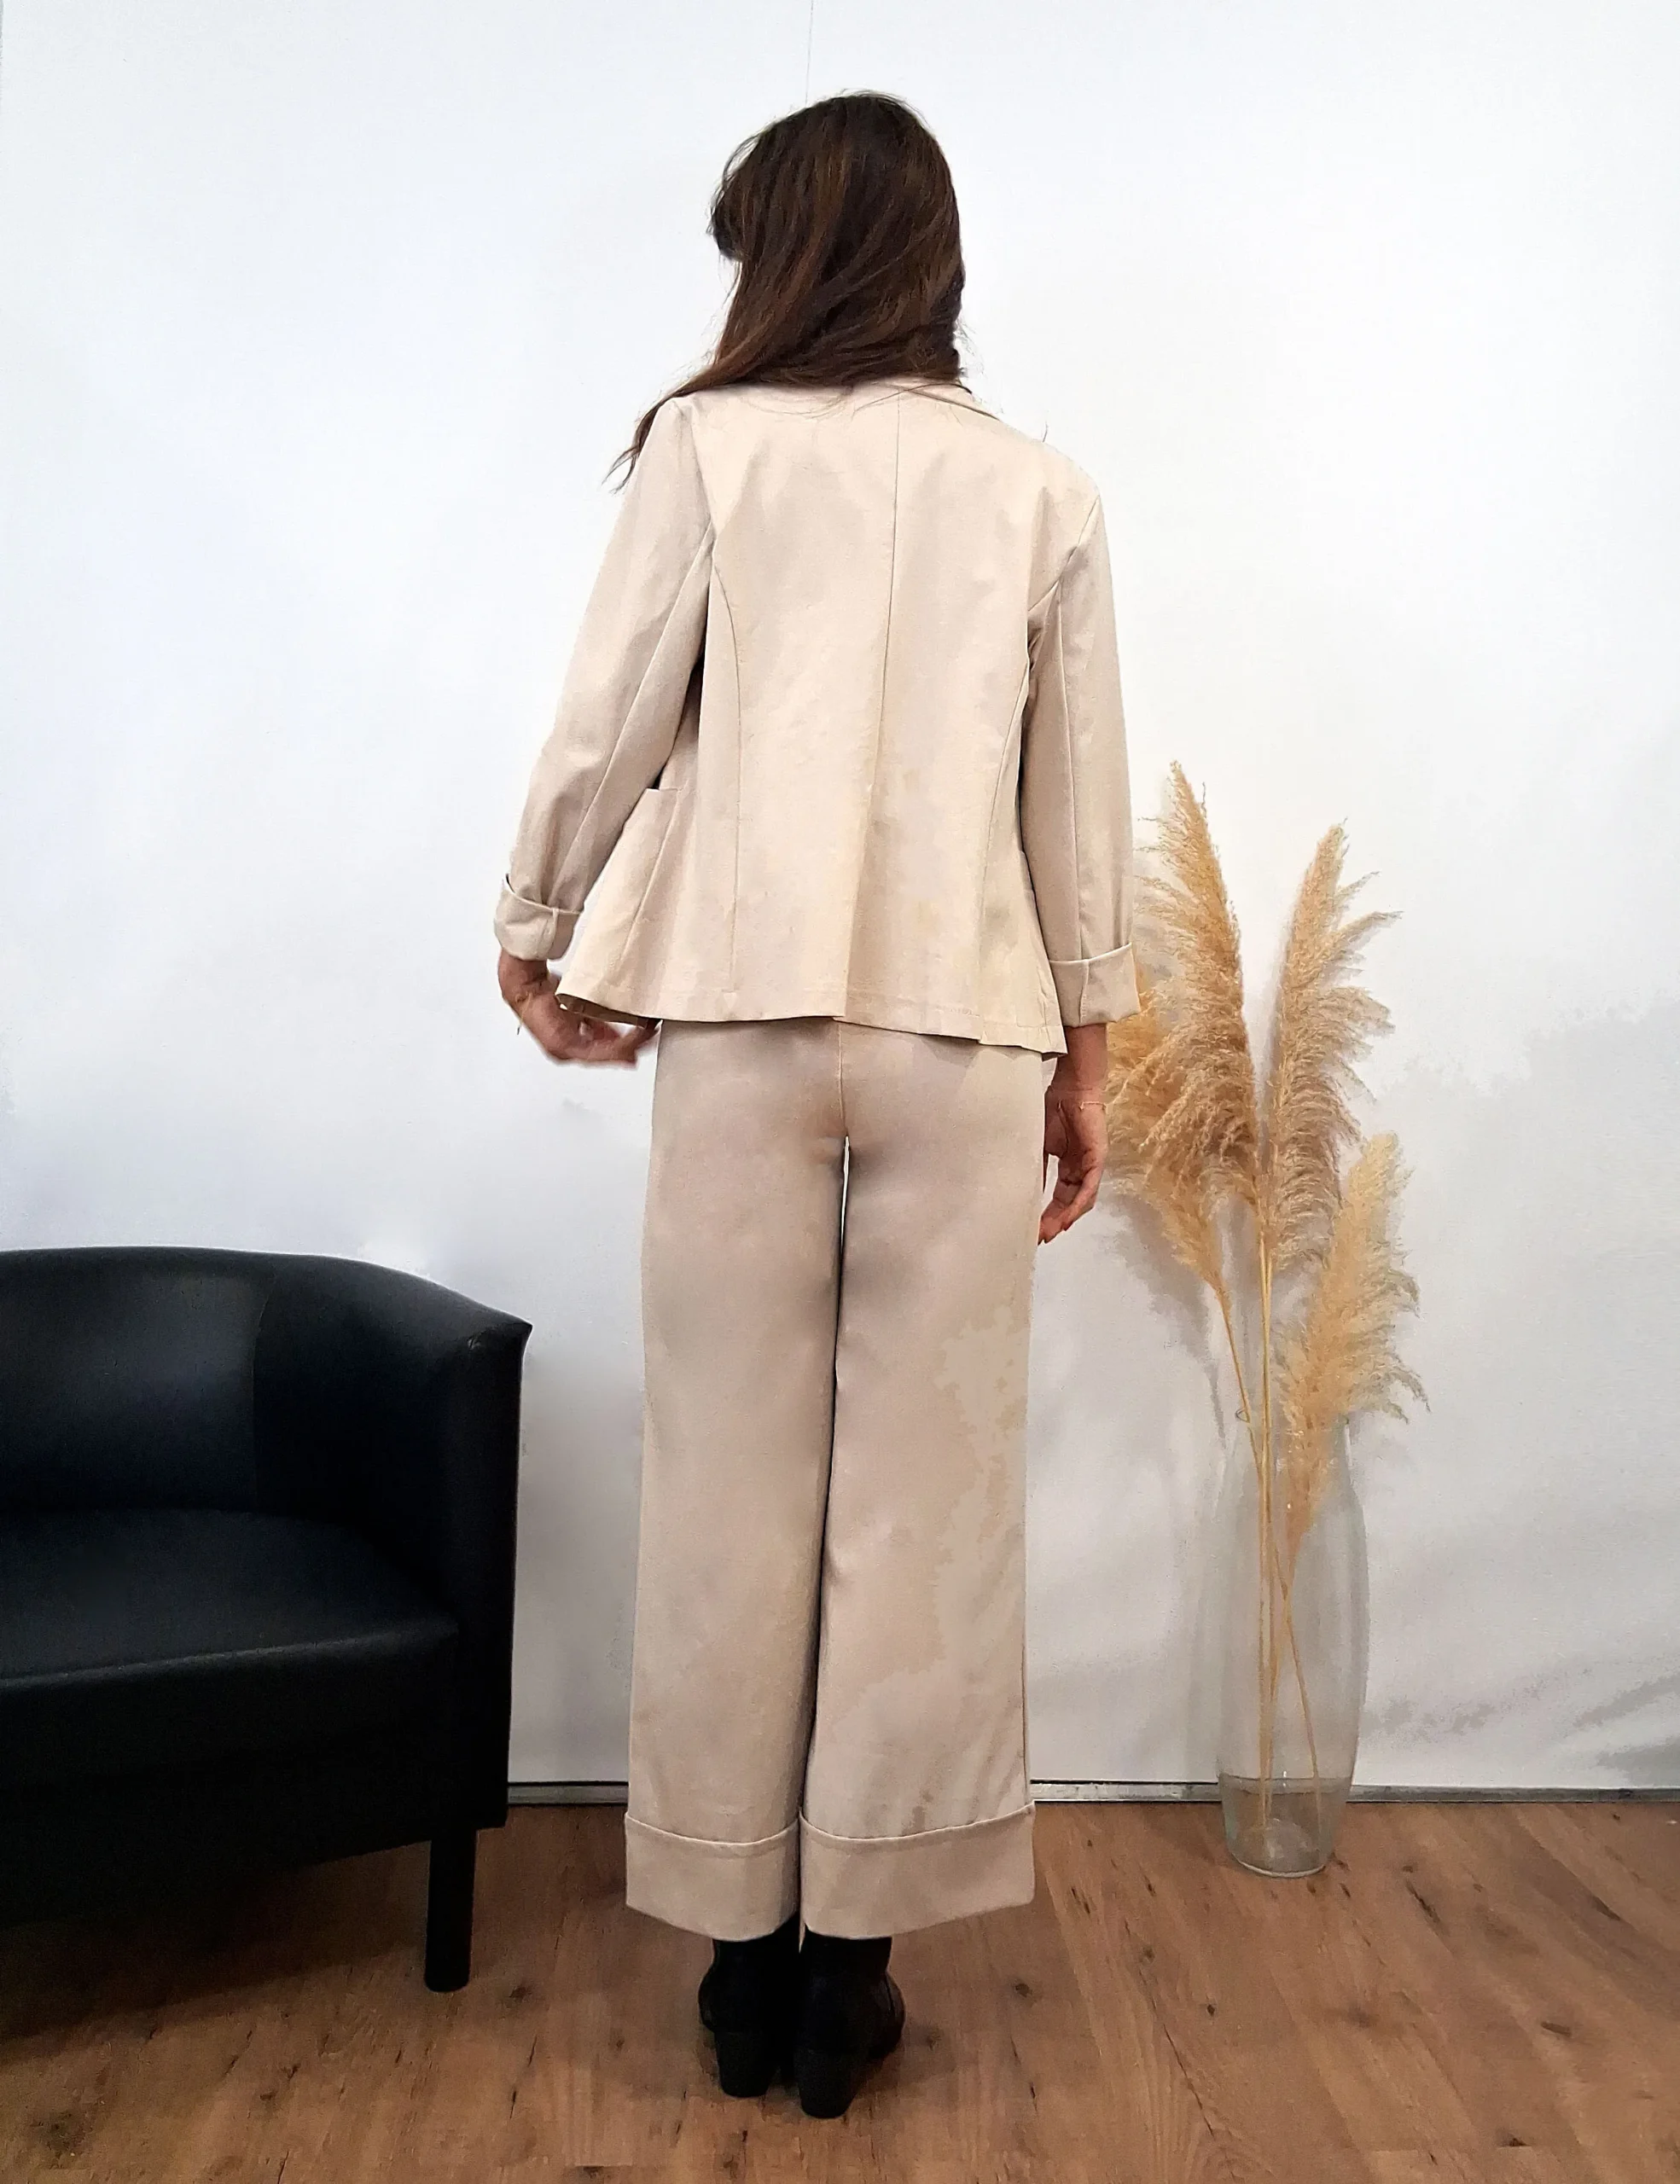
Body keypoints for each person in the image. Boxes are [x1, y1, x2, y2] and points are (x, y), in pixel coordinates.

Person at [492, 90, 1138, 2119]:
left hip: (744, 1029)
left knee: (728, 1493)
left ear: (787, 258)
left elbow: (610, 714)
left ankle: (738, 1959)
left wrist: (539, 919)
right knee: (923, 1514)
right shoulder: (1041, 492)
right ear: (935, 255)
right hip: (965, 1032)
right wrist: (1092, 1049)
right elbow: (1076, 799)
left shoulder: (711, 449)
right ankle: (850, 1971)